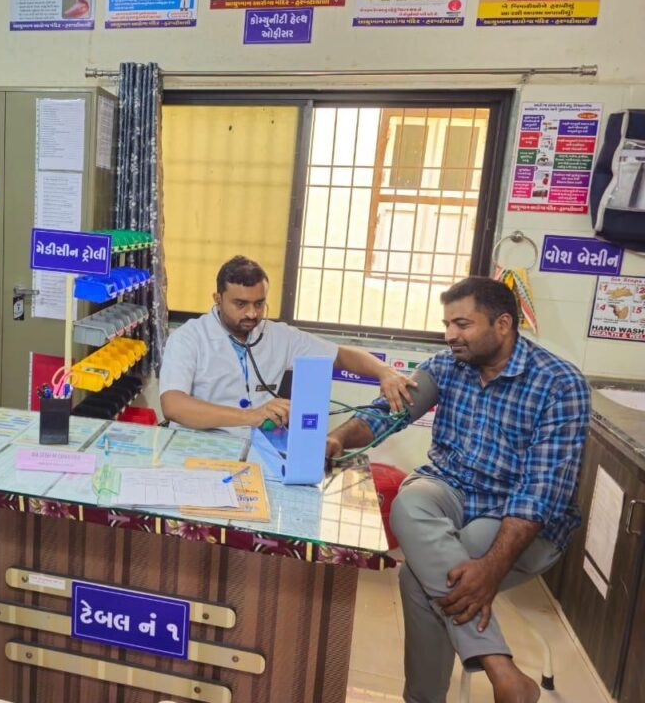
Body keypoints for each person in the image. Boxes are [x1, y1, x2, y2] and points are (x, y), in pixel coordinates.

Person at [326, 277, 590, 703]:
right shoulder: (446, 366)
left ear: (502, 324)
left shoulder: (559, 384)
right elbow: (386, 414)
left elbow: (540, 493)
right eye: (447, 324)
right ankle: (501, 668)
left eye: (462, 324)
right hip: (451, 490)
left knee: (420, 578)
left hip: (516, 517)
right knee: (410, 503)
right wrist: (338, 438)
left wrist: (491, 569)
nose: (450, 335)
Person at [159, 255, 415, 437]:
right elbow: (173, 405)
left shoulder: (279, 336)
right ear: (217, 298)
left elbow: (340, 356)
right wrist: (251, 416)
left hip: (257, 446)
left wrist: (384, 371)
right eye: (240, 304)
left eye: (259, 303)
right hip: (197, 444)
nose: (252, 313)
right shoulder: (188, 338)